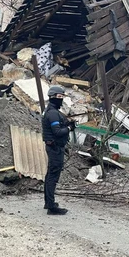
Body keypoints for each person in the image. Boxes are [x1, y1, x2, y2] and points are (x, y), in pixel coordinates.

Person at [42, 85, 75, 215]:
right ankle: (51, 207)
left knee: (50, 174)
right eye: (60, 97)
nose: (61, 99)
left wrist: (67, 123)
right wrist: (69, 129)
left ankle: (48, 202)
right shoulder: (52, 113)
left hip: (54, 147)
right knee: (53, 176)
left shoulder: (52, 111)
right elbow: (57, 131)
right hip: (55, 148)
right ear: (53, 97)